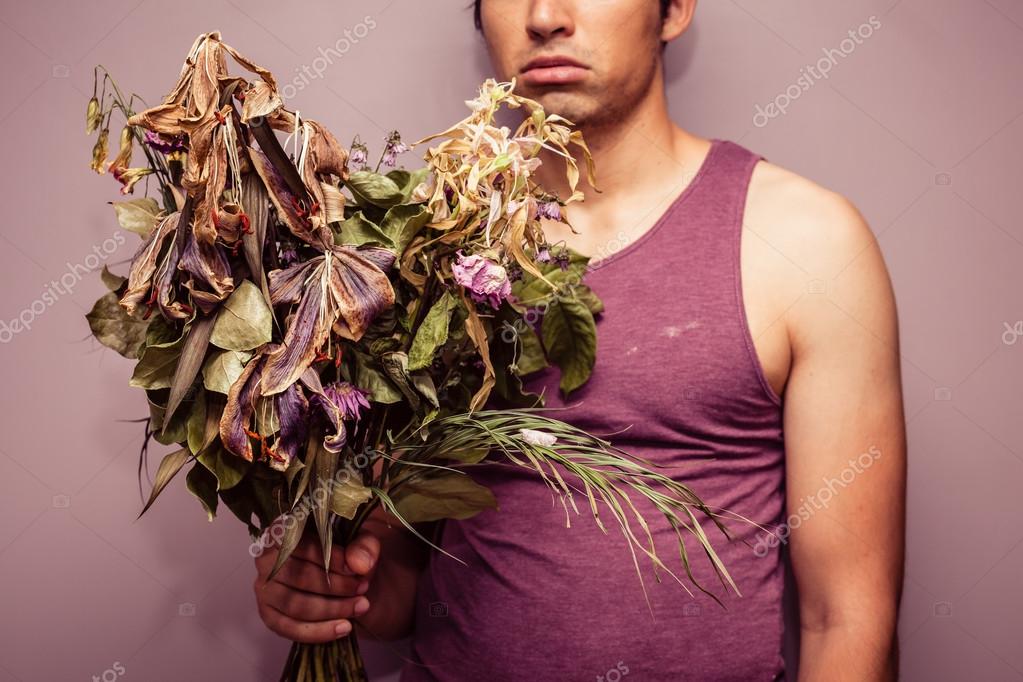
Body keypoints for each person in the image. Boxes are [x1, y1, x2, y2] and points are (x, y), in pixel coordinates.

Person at [253, 1, 907, 680]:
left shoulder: (805, 242)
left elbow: (848, 620)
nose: (543, 16)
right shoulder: (419, 248)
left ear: (674, 9)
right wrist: (329, 589)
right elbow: (406, 587)